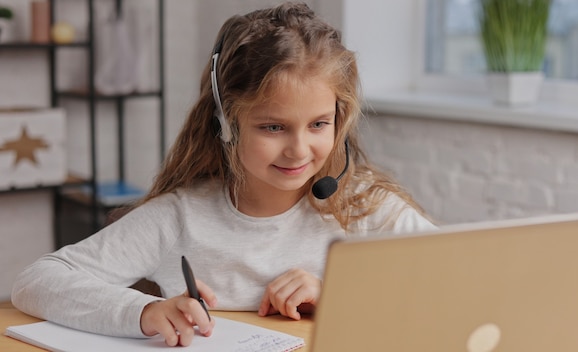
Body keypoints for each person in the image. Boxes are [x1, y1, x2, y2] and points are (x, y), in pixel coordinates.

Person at [11, 2, 436, 347]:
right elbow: (35, 283)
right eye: (273, 127)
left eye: (319, 125)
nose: (299, 149)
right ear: (226, 124)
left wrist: (340, 295)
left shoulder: (367, 207)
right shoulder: (180, 217)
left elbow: (457, 280)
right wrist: (141, 313)